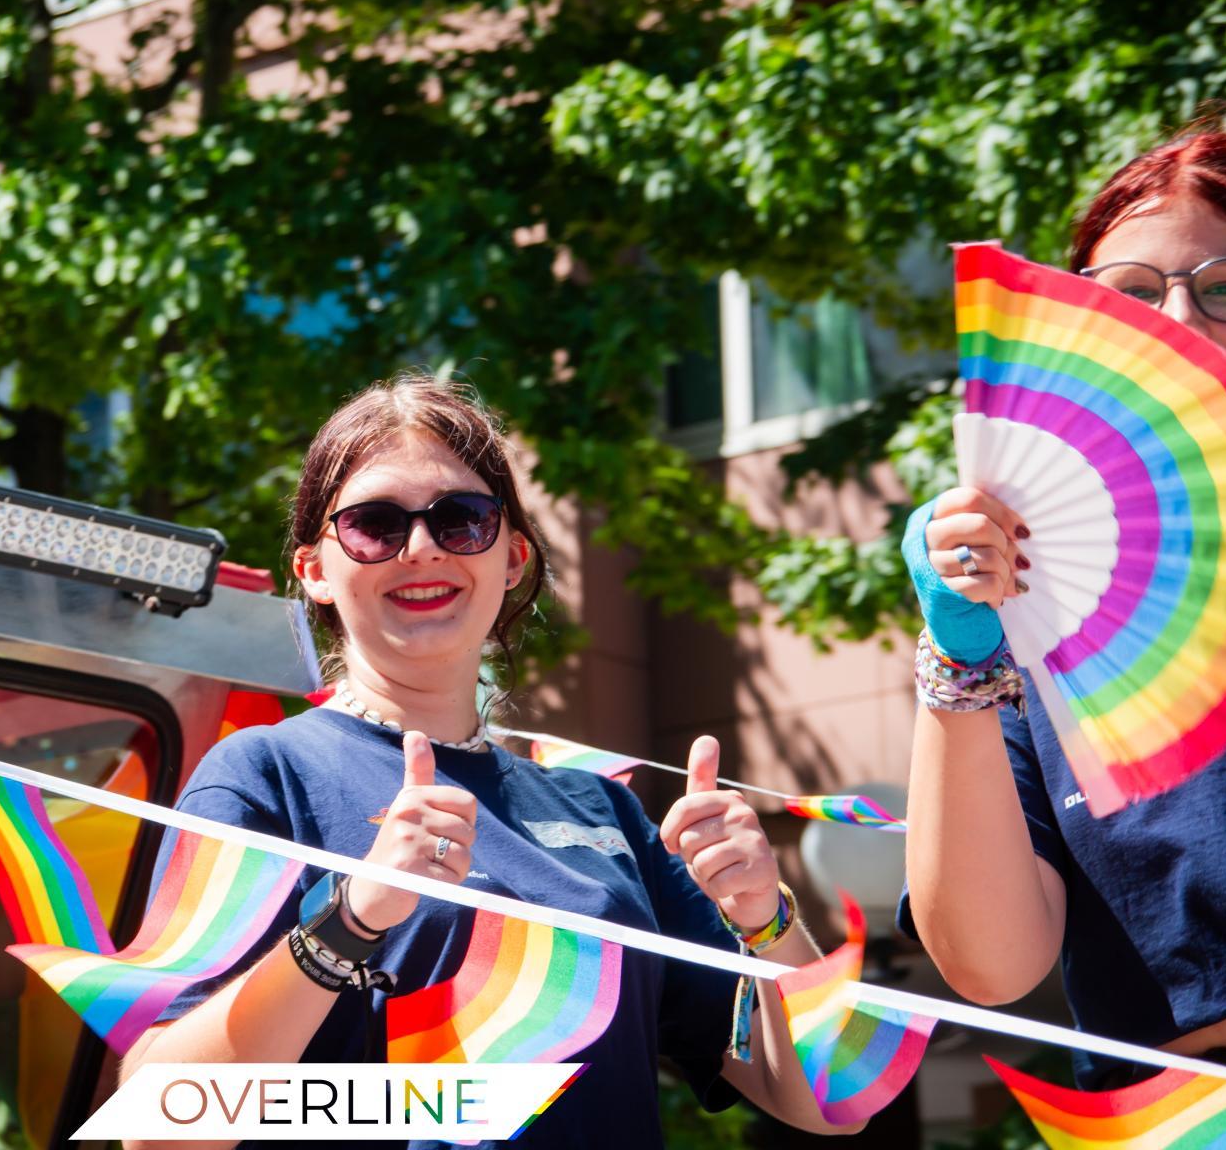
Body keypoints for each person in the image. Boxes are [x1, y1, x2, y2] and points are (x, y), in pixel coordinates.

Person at [121, 375, 855, 1149]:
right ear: (313, 571)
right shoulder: (265, 776)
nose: (423, 548)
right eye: (375, 525)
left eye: (462, 519)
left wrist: (765, 918)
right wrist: (350, 921)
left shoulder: (603, 810)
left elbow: (827, 1101)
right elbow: (160, 1121)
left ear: (512, 557)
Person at [900, 124, 1226, 1088]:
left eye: (1223, 286)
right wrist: (959, 654)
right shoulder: (1033, 611)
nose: (1171, 319)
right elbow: (991, 964)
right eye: (1125, 295)